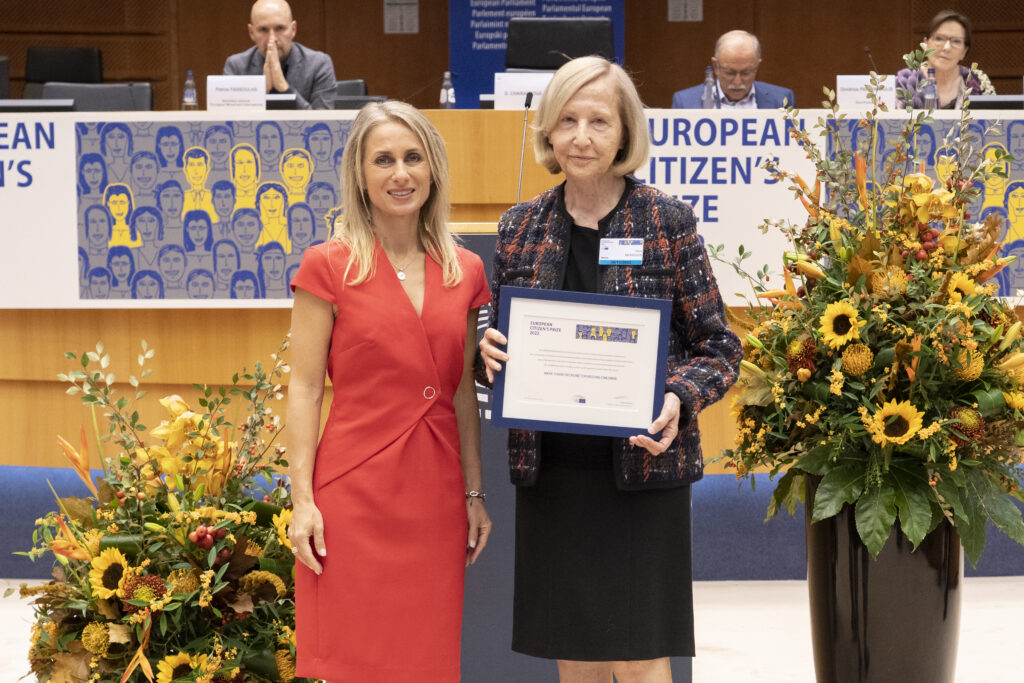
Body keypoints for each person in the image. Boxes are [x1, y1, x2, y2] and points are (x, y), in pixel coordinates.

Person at [478, 56, 742, 682]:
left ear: (625, 133)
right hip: (556, 475)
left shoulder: (666, 221)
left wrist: (678, 395)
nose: (582, 137)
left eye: (599, 120)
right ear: (547, 131)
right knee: (576, 654)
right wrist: (483, 352)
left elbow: (720, 347)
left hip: (642, 468)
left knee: (641, 655)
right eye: (567, 120)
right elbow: (495, 346)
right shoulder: (521, 228)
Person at [286, 100, 492, 682]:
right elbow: (303, 388)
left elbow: (458, 395)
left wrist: (474, 494)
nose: (400, 174)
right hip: (352, 493)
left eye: (412, 157)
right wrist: (302, 500)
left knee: (425, 660)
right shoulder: (327, 265)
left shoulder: (466, 270)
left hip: (434, 491)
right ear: (359, 174)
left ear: (433, 169)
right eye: (383, 160)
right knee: (353, 660)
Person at [223, 0, 336, 110]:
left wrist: (283, 86)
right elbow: (229, 123)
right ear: (251, 33)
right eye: (263, 30)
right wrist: (261, 91)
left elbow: (324, 125)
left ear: (293, 29)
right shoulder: (236, 66)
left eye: (280, 28)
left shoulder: (319, 64)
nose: (272, 39)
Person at [896, 10, 995, 110]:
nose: (947, 47)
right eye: (939, 38)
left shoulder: (978, 80)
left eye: (956, 41)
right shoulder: (904, 80)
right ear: (925, 44)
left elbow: (995, 121)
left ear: (964, 51)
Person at [671, 30, 794, 109]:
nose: (737, 82)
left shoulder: (781, 99)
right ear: (716, 66)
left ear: (757, 66)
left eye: (746, 73)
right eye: (730, 73)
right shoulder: (685, 102)